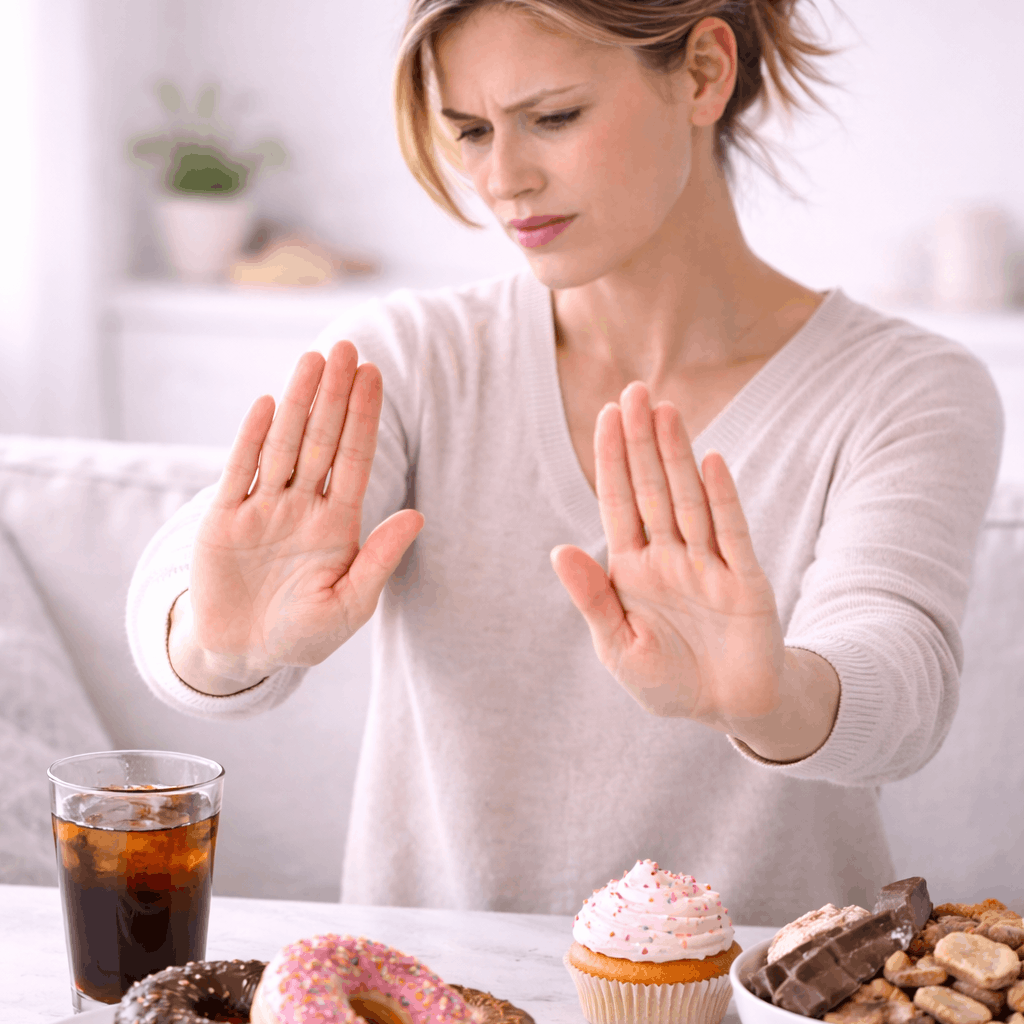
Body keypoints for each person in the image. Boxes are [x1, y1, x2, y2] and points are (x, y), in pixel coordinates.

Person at [126, 0, 1002, 925]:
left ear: (705, 72)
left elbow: (901, 676)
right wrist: (222, 641)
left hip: (761, 993)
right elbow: (192, 586)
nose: (503, 178)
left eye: (553, 117)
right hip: (433, 993)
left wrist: (773, 696)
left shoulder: (908, 387)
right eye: (469, 130)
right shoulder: (414, 357)